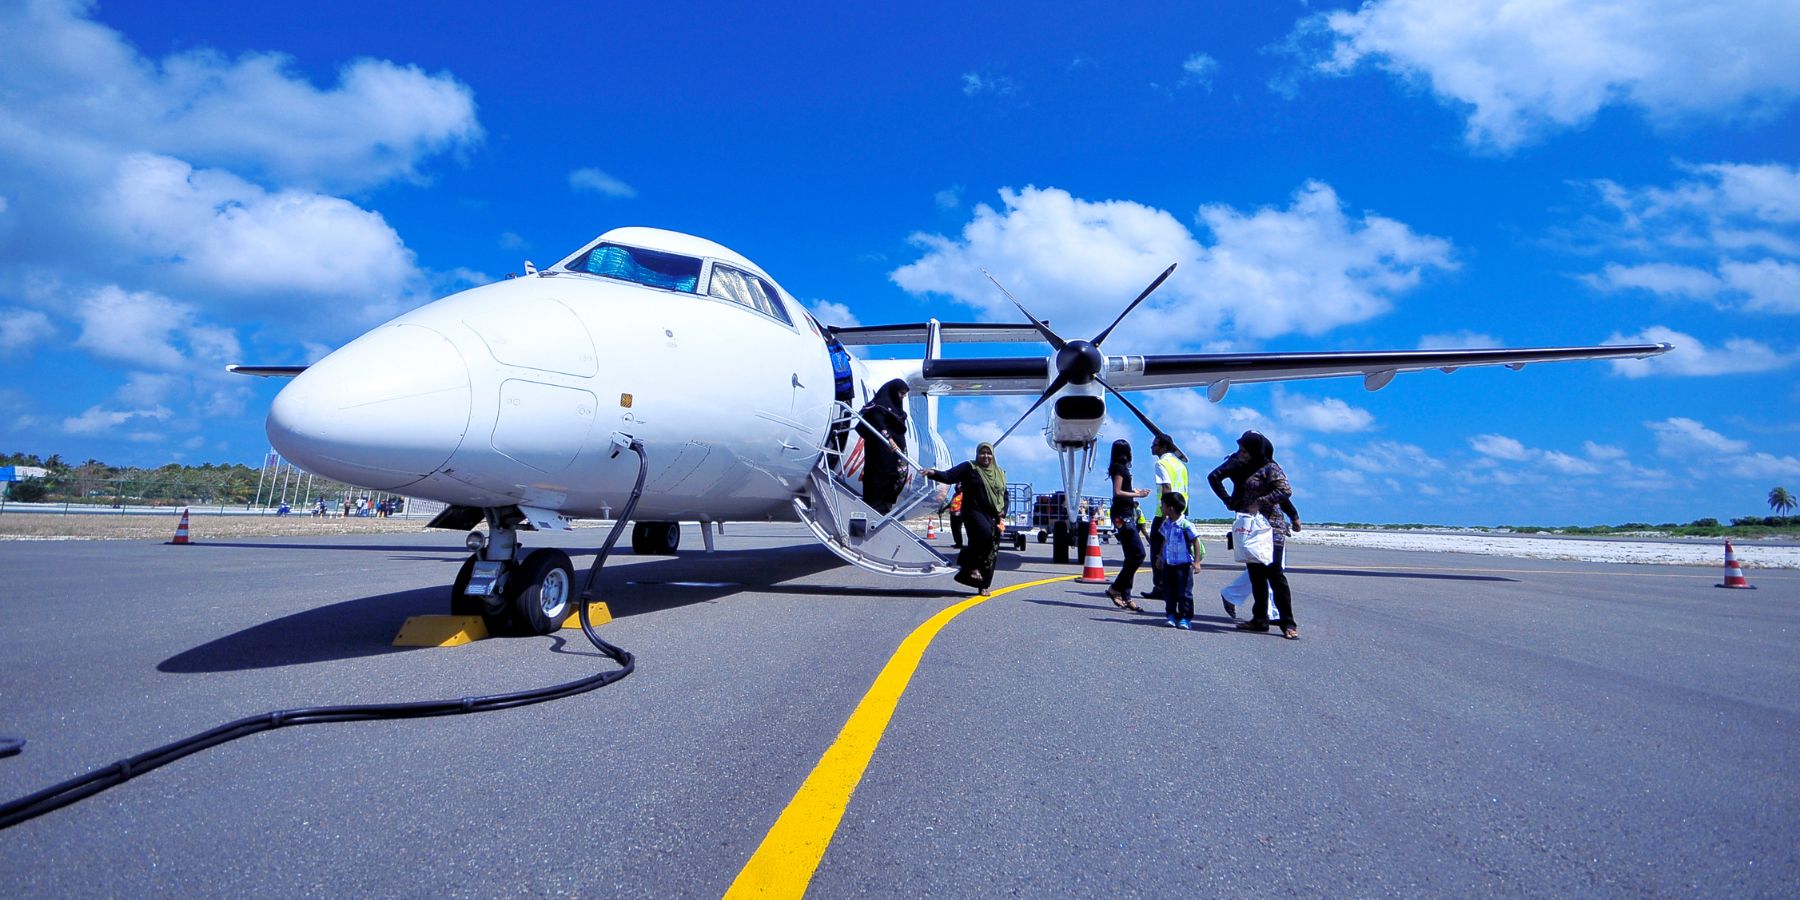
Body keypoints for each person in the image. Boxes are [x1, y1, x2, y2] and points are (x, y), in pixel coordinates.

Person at [1213, 431, 1302, 639]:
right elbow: (1214, 477)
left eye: (1244, 450)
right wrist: (1228, 500)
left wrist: (1260, 502)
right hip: (1251, 528)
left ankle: (1288, 623)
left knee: (1275, 575)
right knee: (1256, 575)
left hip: (1271, 528)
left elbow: (1285, 491)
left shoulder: (1270, 467)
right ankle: (1259, 620)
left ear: (1255, 451)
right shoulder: (1241, 467)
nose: (1240, 453)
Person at [922, 442, 1006, 596]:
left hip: (993, 515)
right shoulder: (969, 468)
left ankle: (983, 584)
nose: (985, 456)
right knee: (984, 535)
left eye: (989, 453)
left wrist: (1003, 512)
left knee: (991, 550)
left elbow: (1004, 495)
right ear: (977, 454)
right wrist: (933, 473)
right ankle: (968, 562)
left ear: (993, 456)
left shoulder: (999, 473)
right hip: (973, 512)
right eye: (982, 453)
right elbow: (949, 476)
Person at [1103, 439, 1151, 611]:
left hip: (1125, 513)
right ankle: (1114, 588)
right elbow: (1117, 492)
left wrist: (1135, 492)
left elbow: (1121, 490)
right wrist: (1137, 495)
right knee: (1138, 554)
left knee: (1131, 556)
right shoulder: (1119, 468)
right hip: (1123, 515)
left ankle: (1126, 595)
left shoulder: (1119, 468)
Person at [1145, 433, 1190, 600]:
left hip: (1163, 514)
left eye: (1155, 444)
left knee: (1158, 550)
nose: (1152, 447)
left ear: (1163, 447)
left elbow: (1166, 487)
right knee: (1175, 552)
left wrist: (1166, 513)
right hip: (1181, 512)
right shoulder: (1180, 465)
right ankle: (1174, 587)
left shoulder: (1161, 463)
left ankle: (1160, 587)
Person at [856, 379, 910, 513]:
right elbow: (878, 425)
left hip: (894, 456)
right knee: (878, 478)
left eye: (904, 395)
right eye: (901, 393)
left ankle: (885, 506)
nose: (902, 397)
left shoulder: (899, 412)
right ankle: (875, 507)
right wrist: (889, 439)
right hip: (880, 454)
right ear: (893, 392)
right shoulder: (878, 407)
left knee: (893, 478)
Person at [1155, 493, 1202, 629]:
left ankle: (1185, 618)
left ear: (1170, 508)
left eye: (1162, 505)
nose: (1161, 507)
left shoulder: (1185, 525)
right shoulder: (1166, 524)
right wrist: (1160, 557)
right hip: (1169, 564)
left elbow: (1195, 541)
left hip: (1184, 565)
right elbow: (1165, 541)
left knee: (1184, 593)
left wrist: (1197, 562)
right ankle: (1171, 615)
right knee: (1169, 591)